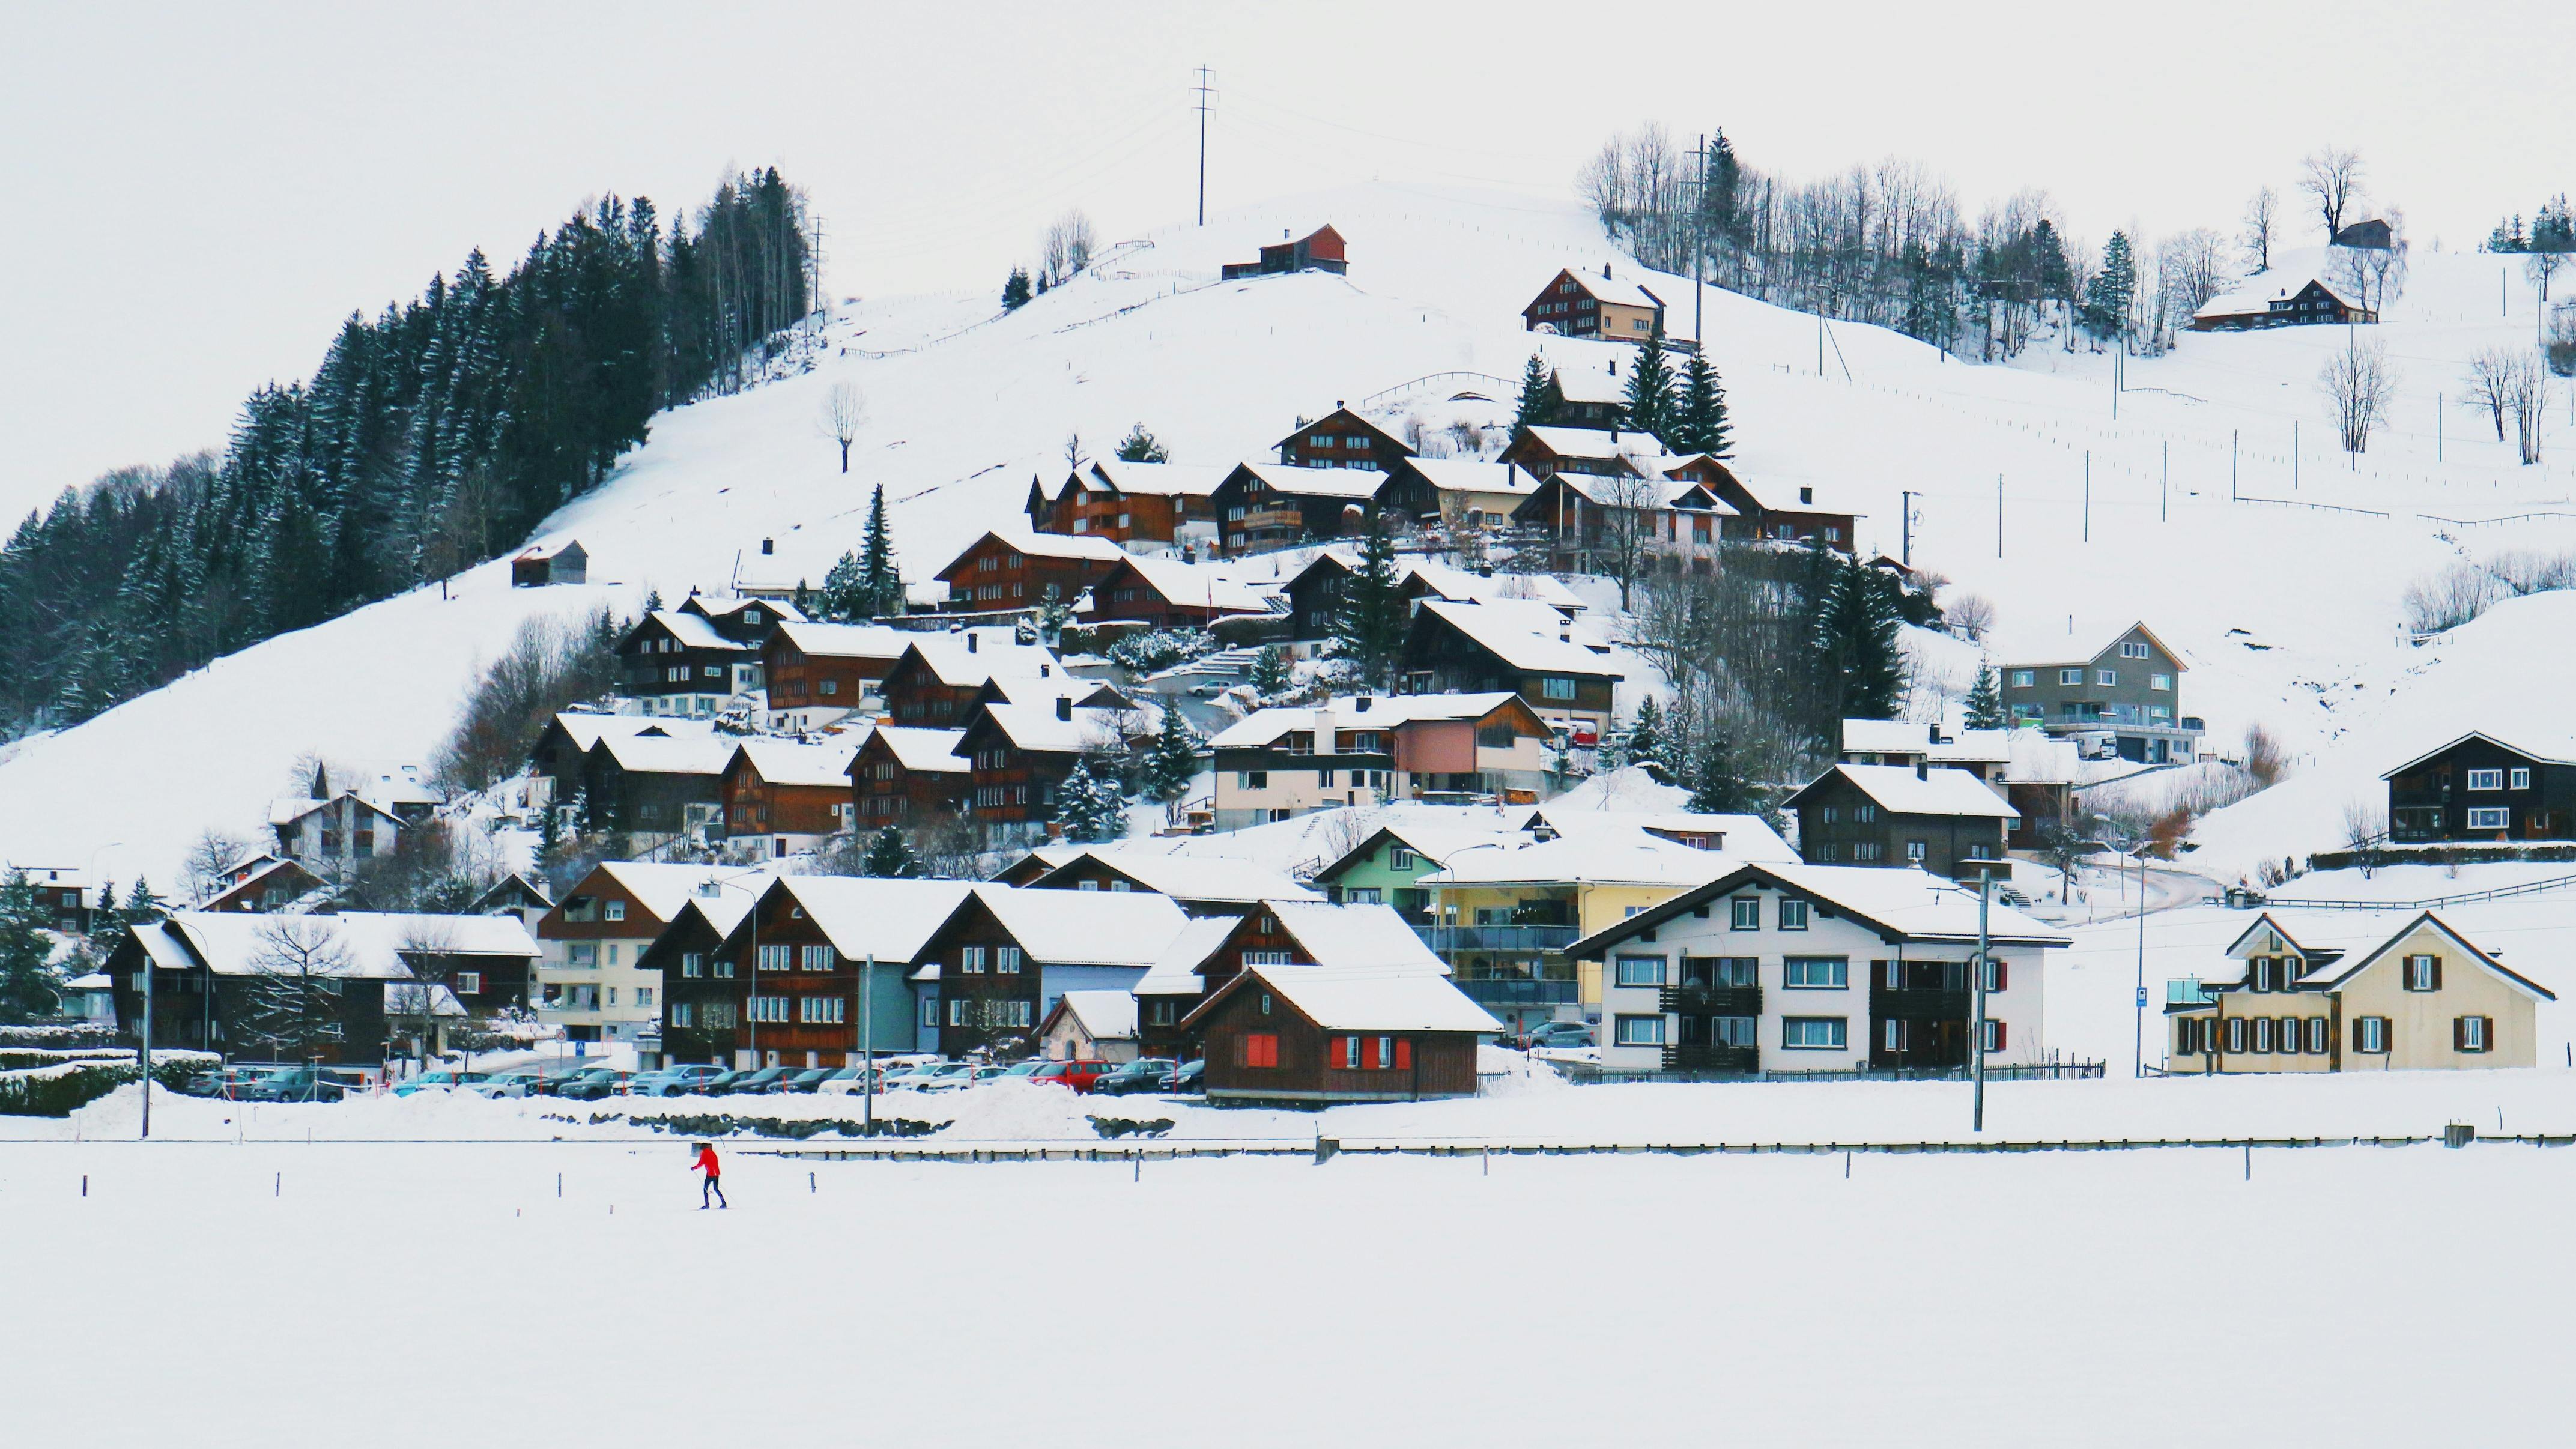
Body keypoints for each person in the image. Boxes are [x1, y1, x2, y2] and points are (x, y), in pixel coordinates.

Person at [691, 1141, 726, 1209]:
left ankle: (707, 1204)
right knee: (716, 1189)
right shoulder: (712, 1152)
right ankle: (724, 1203)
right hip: (716, 1173)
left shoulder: (704, 1153)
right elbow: (716, 1160)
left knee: (705, 1189)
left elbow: (700, 1163)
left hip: (710, 1174)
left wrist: (694, 1168)